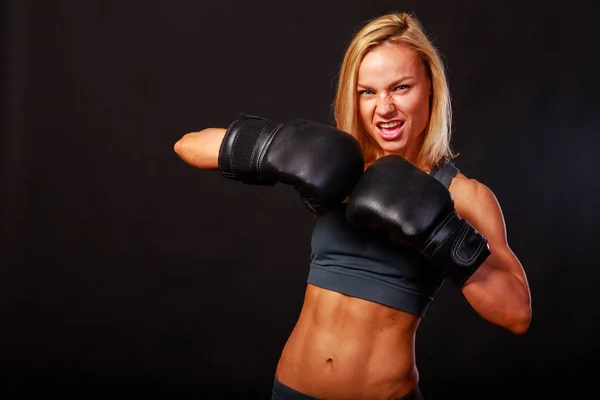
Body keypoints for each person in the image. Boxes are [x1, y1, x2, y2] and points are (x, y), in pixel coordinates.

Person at [174, 12, 532, 400]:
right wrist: (276, 146)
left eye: (401, 87)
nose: (385, 108)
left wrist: (440, 232)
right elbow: (188, 146)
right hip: (292, 391)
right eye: (368, 92)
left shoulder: (462, 194)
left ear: (430, 87)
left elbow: (516, 314)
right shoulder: (335, 164)